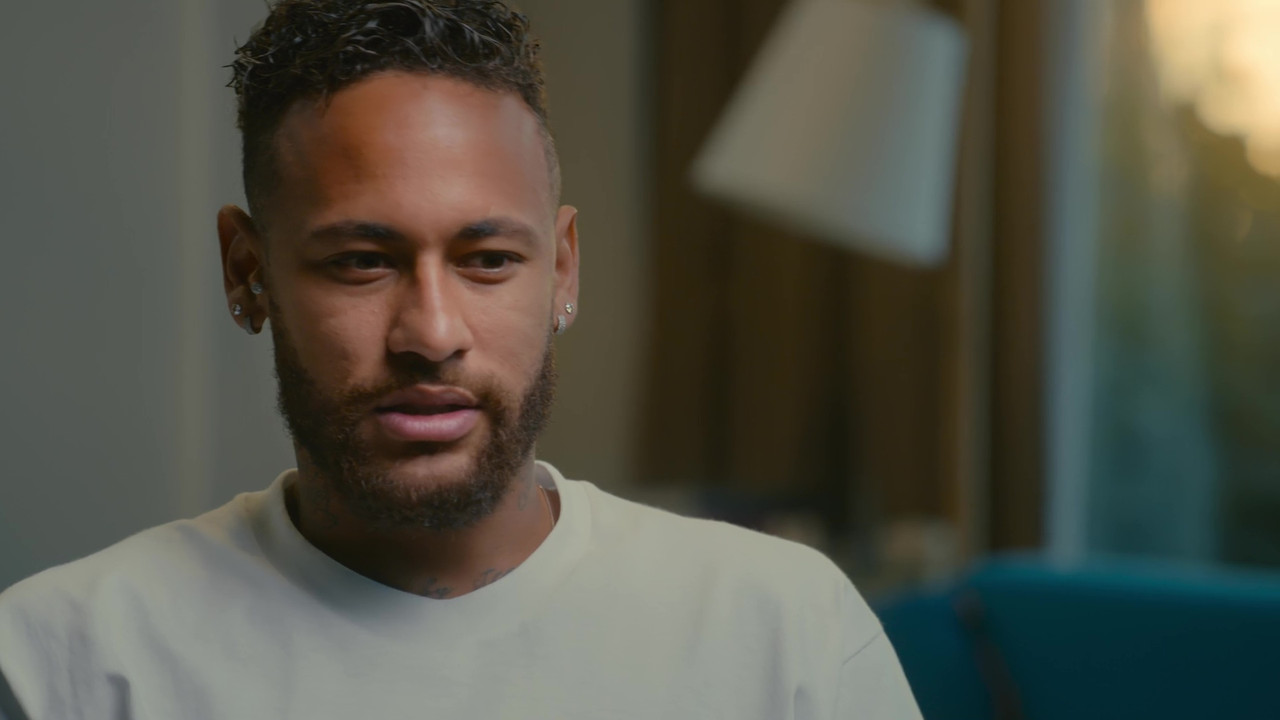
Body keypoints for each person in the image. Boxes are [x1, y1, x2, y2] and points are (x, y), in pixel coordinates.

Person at [0, 1, 922, 718]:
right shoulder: (66, 659)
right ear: (249, 271)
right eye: (361, 262)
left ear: (562, 270)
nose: (432, 332)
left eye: (488, 260)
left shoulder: (785, 631)